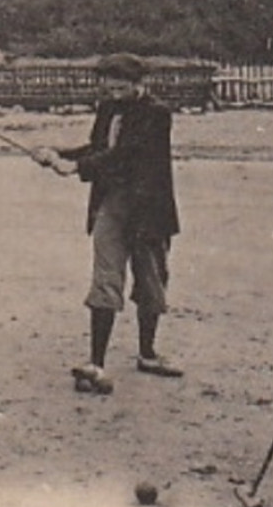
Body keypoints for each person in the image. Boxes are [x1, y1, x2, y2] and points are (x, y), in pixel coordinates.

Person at [32, 53, 181, 394]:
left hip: (149, 210)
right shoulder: (107, 108)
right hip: (111, 204)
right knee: (105, 278)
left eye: (122, 83)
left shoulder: (157, 114)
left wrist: (76, 168)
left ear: (139, 82)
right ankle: (96, 363)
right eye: (108, 82)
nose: (114, 88)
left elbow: (126, 154)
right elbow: (98, 147)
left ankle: (148, 354)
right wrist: (60, 153)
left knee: (151, 281)